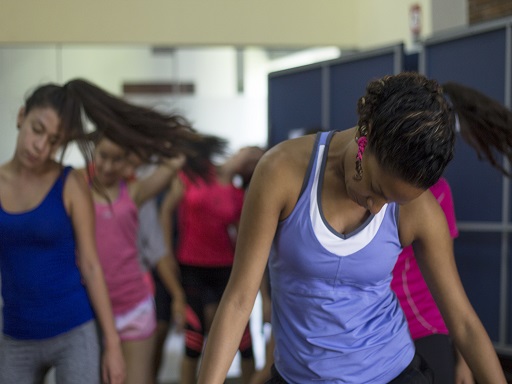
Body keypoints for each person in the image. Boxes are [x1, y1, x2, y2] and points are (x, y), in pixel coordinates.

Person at [196, 72, 507, 383]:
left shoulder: (420, 211)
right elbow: (238, 300)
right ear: (365, 136)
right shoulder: (281, 172)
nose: (376, 208)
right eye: (375, 188)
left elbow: (463, 323)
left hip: (391, 372)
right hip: (298, 376)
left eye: (392, 199)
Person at [0, 83, 125, 383]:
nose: (40, 146)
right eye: (37, 129)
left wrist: (112, 344)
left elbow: (91, 265)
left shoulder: (69, 183)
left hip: (73, 331)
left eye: (53, 140)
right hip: (16, 335)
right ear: (21, 117)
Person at [390, 81, 512, 384]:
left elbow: (450, 284)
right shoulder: (377, 189)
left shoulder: (436, 194)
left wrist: (465, 361)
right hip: (385, 333)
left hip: (425, 332)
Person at [160, 146, 264, 384]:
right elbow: (166, 210)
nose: (250, 158)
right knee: (193, 338)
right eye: (251, 152)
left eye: (255, 161)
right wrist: (166, 252)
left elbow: (244, 239)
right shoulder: (194, 173)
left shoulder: (238, 195)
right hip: (191, 267)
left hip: (224, 269)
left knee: (243, 338)